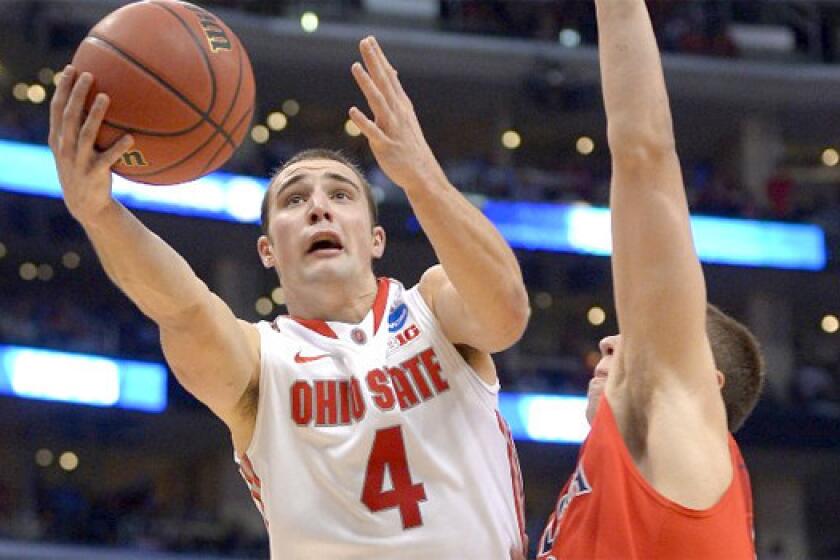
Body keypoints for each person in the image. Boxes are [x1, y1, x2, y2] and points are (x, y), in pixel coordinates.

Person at [49, 37, 529, 558]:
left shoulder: (433, 305)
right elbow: (183, 308)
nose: (318, 208)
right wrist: (100, 213)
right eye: (295, 199)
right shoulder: (261, 362)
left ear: (376, 239)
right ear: (268, 250)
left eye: (340, 195)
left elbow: (506, 313)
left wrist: (420, 175)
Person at [527, 1, 765, 558]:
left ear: (702, 381)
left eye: (638, 333)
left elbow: (645, 156)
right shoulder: (610, 490)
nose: (610, 339)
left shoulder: (680, 431)